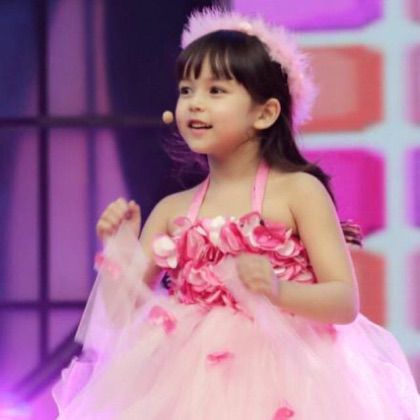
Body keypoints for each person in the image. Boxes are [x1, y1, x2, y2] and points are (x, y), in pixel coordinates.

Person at [52, 7, 420, 419]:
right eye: (187, 90)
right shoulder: (172, 209)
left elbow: (343, 301)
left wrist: (278, 291)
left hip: (288, 374)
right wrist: (119, 248)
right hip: (185, 382)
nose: (194, 104)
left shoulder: (298, 191)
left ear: (265, 113)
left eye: (216, 91)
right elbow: (122, 321)